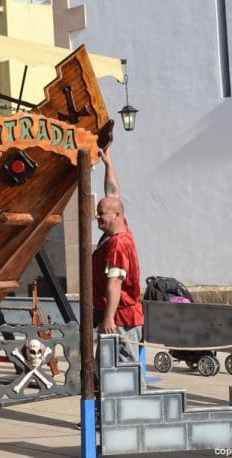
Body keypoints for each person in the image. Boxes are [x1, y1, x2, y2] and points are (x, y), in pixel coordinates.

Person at [92, 147, 143, 363]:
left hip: (121, 319)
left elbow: (115, 283)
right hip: (117, 316)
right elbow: (112, 194)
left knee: (123, 370)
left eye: (101, 213)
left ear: (116, 215)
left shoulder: (118, 244)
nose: (97, 216)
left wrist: (109, 318)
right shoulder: (119, 229)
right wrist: (108, 163)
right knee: (104, 369)